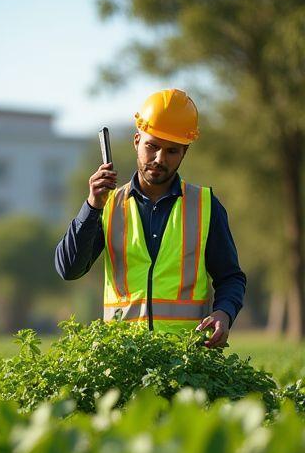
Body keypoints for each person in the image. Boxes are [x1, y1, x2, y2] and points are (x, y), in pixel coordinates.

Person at [54, 88, 246, 347]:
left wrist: (224, 313)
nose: (159, 159)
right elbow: (68, 268)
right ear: (136, 141)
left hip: (188, 358)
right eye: (152, 146)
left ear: (184, 152)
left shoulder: (205, 206)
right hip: (123, 359)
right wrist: (91, 207)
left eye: (171, 151)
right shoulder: (106, 205)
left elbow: (230, 277)